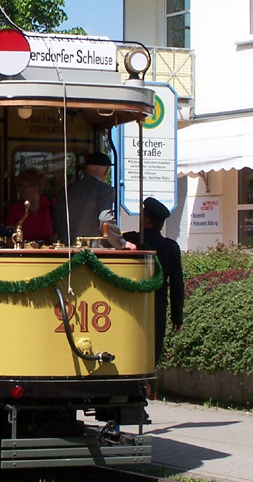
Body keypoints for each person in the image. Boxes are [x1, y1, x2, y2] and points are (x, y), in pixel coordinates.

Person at [124, 197, 184, 364]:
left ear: (146, 219)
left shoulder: (130, 241)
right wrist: (177, 317)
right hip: (157, 308)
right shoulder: (171, 247)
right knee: (152, 354)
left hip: (129, 306)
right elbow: (177, 285)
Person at [54, 151, 117, 246]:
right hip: (91, 252)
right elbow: (105, 220)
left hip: (64, 249)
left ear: (86, 169)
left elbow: (56, 220)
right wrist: (121, 243)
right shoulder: (105, 190)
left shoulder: (67, 190)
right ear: (106, 171)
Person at [4, 167, 55, 244]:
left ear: (35, 188)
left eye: (23, 187)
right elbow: (10, 236)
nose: (20, 190)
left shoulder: (51, 205)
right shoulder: (15, 208)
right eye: (19, 186)